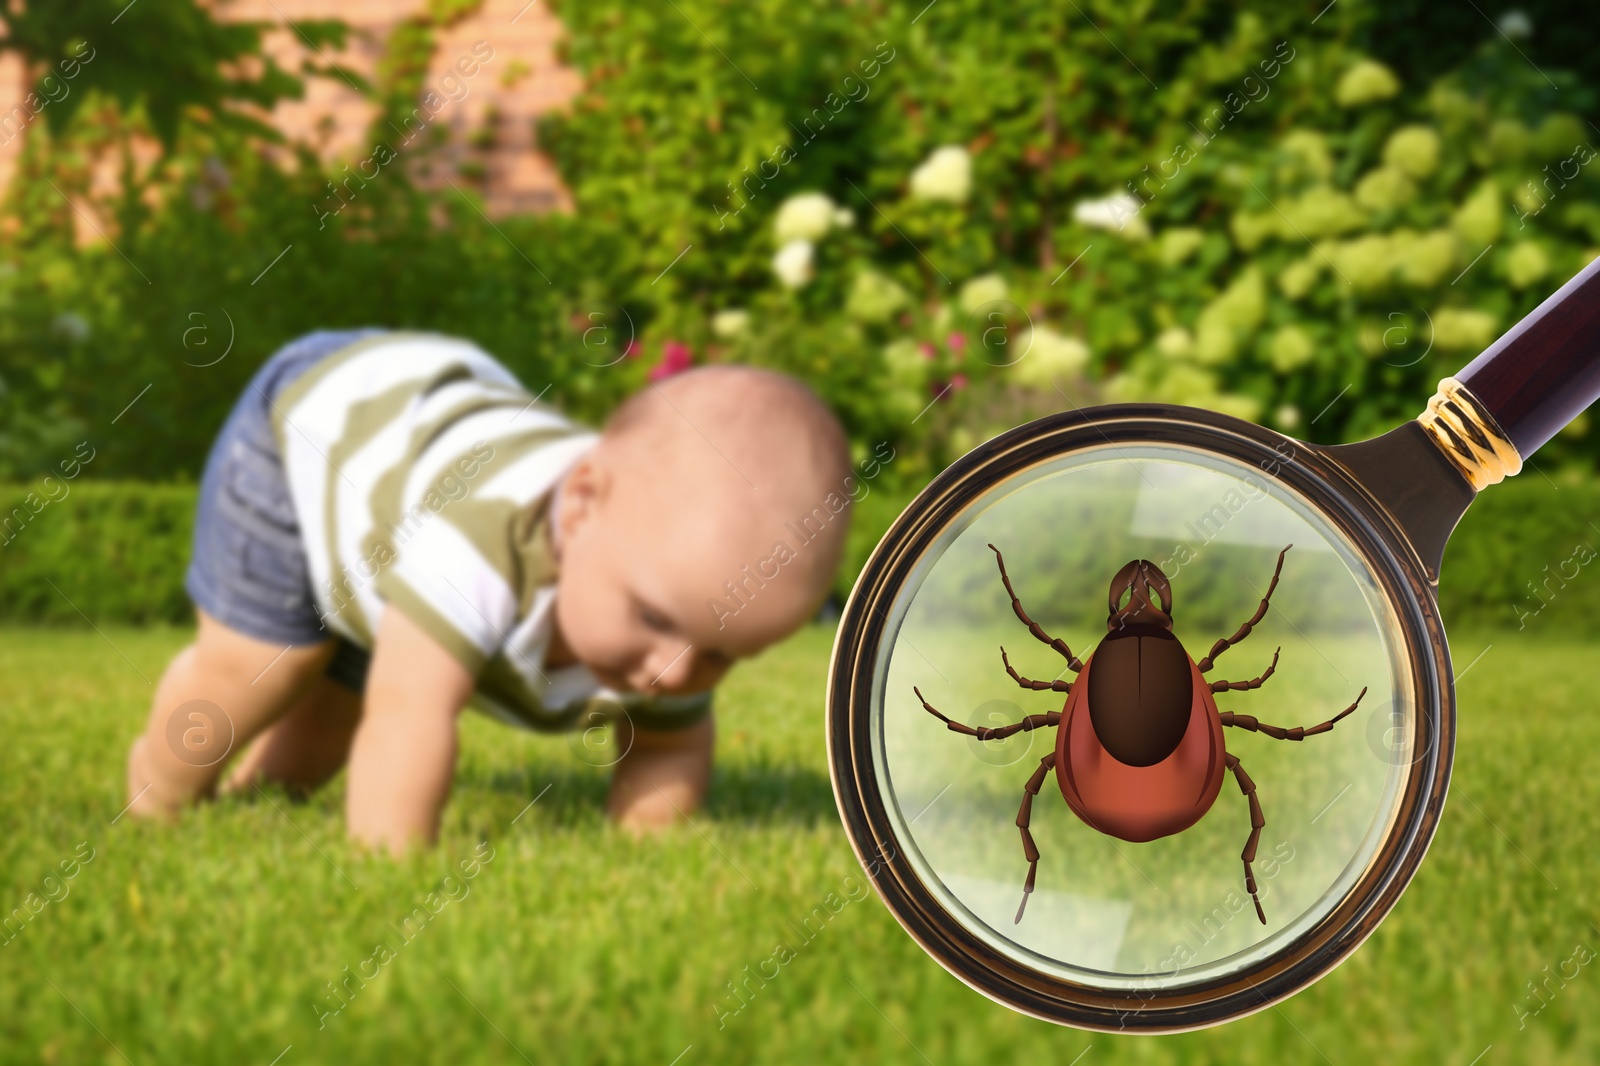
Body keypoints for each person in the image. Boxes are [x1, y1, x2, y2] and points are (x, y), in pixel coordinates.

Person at [124, 329, 854, 853]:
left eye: (723, 655)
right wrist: (392, 876)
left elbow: (668, 751)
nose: (672, 672)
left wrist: (647, 848)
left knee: (330, 720)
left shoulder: (673, 588)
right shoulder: (477, 545)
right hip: (322, 427)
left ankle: (263, 804)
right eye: (654, 618)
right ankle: (155, 798)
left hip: (407, 483)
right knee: (266, 664)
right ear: (580, 507)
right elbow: (410, 716)